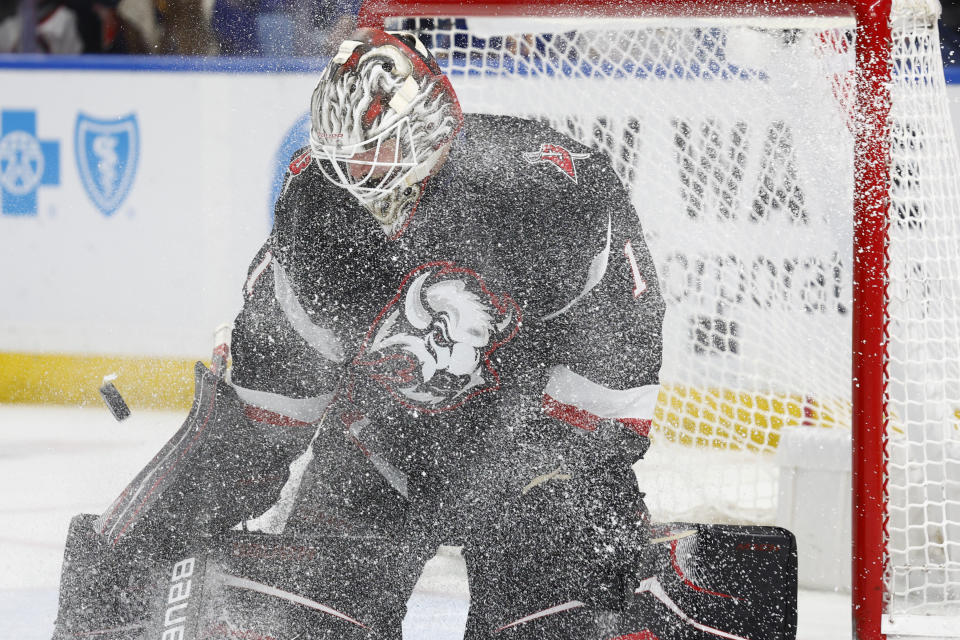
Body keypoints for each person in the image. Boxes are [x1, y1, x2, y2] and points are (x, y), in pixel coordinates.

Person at [64, 28, 664, 640]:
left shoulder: (542, 192)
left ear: (429, 126)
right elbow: (257, 422)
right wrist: (129, 551)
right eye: (345, 155)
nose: (356, 174)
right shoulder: (319, 220)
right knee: (294, 624)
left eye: (374, 150)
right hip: (378, 450)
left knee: (559, 622)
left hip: (531, 456)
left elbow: (617, 361)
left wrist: (549, 473)